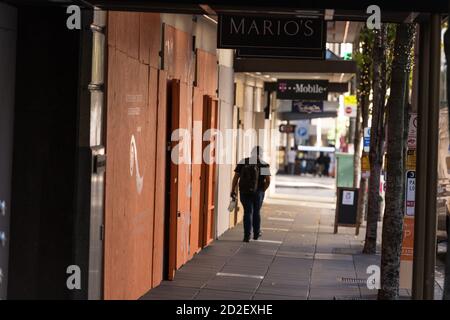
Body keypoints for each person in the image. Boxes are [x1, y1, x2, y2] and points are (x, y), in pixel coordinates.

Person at [230, 146, 271, 242]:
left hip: (244, 191)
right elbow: (268, 181)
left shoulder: (243, 162)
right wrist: (262, 190)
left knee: (248, 212)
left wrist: (233, 190)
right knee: (256, 212)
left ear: (251, 153)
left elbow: (236, 178)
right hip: (258, 192)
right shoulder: (264, 165)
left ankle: (246, 236)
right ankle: (256, 234)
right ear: (261, 154)